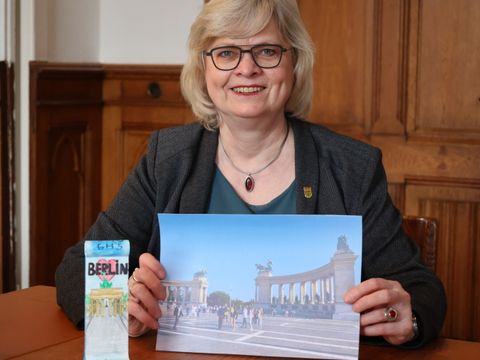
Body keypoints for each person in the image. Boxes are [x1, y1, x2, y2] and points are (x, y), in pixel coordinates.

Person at [55, 0, 446, 347]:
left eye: (266, 51)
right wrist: (122, 307)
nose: (247, 68)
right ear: (204, 67)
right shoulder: (167, 158)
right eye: (227, 52)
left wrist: (405, 317)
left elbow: (422, 291)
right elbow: (76, 270)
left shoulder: (351, 167)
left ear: (294, 62)